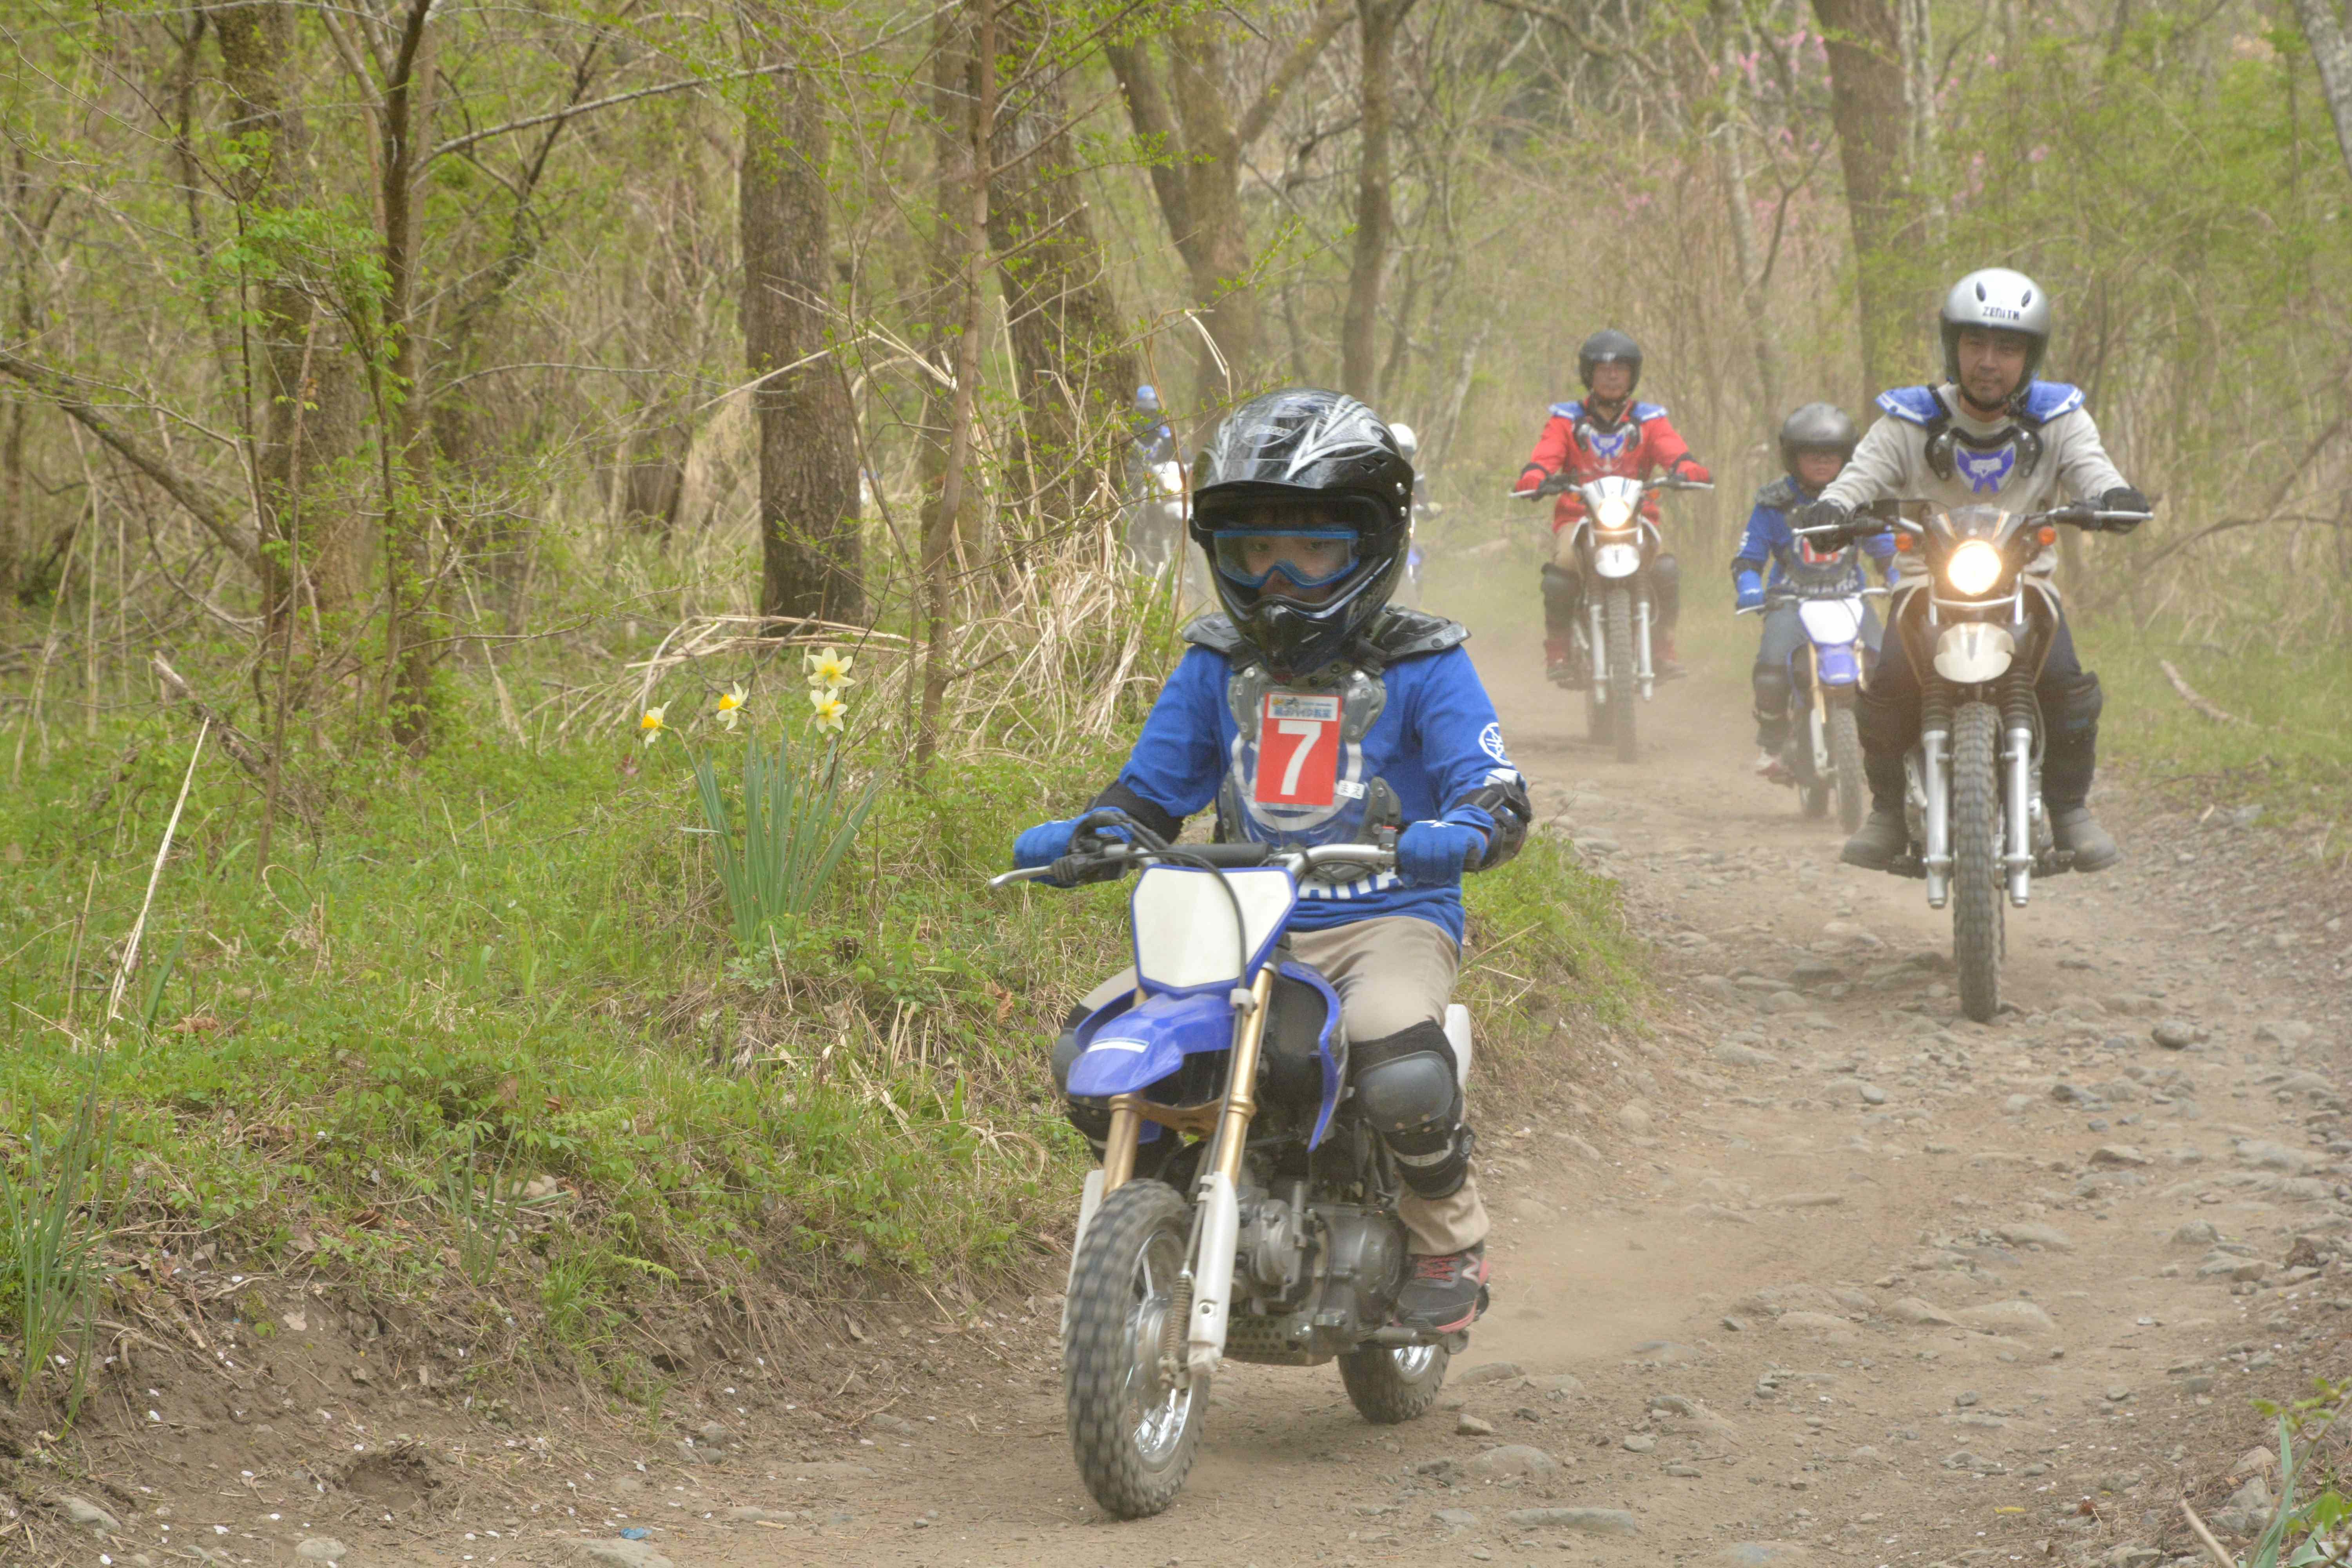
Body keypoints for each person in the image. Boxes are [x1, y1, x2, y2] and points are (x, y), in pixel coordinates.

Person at [1011, 388, 1532, 1334]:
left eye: (1314, 550)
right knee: (1088, 1047)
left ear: (1371, 545)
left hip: (1386, 918)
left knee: (1398, 1063)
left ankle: (1447, 1234)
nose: (1282, 579)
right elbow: (1150, 792)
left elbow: (1492, 786)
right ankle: (1170, 1206)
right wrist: (1096, 834)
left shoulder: (1426, 662)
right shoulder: (1215, 662)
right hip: (1230, 921)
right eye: (1258, 552)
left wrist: (1467, 826)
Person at [1794, 267, 2151, 872]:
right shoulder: (1907, 418)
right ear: (1952, 346)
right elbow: (1860, 475)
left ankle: (2069, 810)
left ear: (2030, 355)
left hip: (2026, 581)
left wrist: (2115, 497)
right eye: (1976, 344)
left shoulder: (2061, 416)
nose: (1990, 361)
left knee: (2066, 686)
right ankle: (1885, 811)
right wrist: (1834, 506)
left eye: (2008, 347)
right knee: (1888, 689)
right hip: (1923, 581)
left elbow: (2095, 469)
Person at [1512, 329, 1710, 683]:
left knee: (1664, 570)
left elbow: (1670, 446)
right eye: (1603, 369)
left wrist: (1685, 466)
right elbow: (1548, 451)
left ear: (1633, 375)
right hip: (1579, 515)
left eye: (1621, 368)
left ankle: (1663, 644)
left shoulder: (1650, 419)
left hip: (1637, 517)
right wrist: (1536, 474)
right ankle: (1557, 648)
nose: (1613, 375)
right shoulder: (1566, 418)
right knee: (1564, 570)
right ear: (1589, 374)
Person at [1732, 402, 1891, 779]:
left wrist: (1898, 574)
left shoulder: (1858, 498)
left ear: (1847, 457)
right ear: (1792, 457)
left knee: (1887, 666)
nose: (1822, 462)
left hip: (1850, 597)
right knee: (1772, 668)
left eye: (1831, 455)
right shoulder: (1774, 503)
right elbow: (1750, 556)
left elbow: (1884, 547)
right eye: (1811, 455)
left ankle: (1888, 742)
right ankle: (1772, 741)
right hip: (1790, 600)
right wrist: (1750, 585)